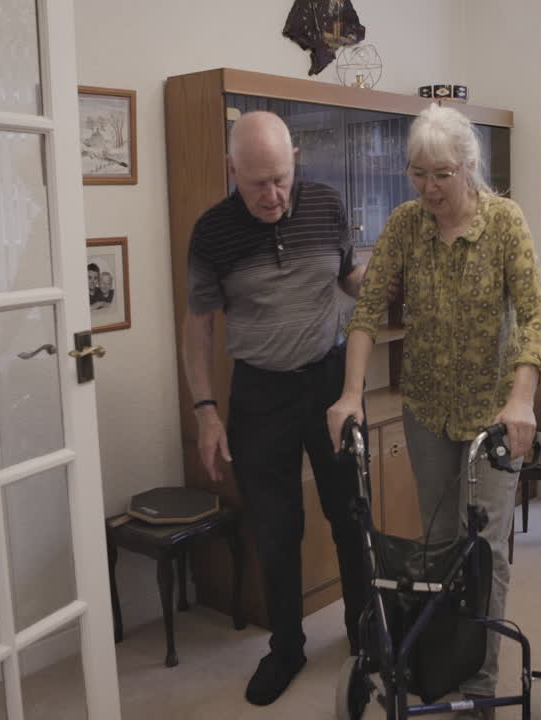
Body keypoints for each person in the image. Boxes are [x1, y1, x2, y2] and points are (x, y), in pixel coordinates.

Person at [327, 103, 541, 719]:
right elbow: (367, 310)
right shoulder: (405, 225)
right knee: (440, 544)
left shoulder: (504, 223)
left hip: (492, 420)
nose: (428, 188)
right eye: (417, 174)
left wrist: (521, 400)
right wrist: (351, 393)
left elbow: (533, 319)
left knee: (485, 550)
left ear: (469, 167)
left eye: (441, 174)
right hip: (425, 411)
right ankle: (443, 658)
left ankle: (480, 682)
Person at [182, 110, 367, 707]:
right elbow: (198, 328)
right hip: (260, 393)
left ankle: (365, 634)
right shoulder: (212, 232)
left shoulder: (327, 204)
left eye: (281, 179)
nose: (273, 195)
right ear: (231, 170)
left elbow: (349, 277)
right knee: (276, 526)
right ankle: (286, 647)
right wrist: (205, 411)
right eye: (258, 182)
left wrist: (385, 282)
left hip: (330, 381)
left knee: (350, 512)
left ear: (295, 164)